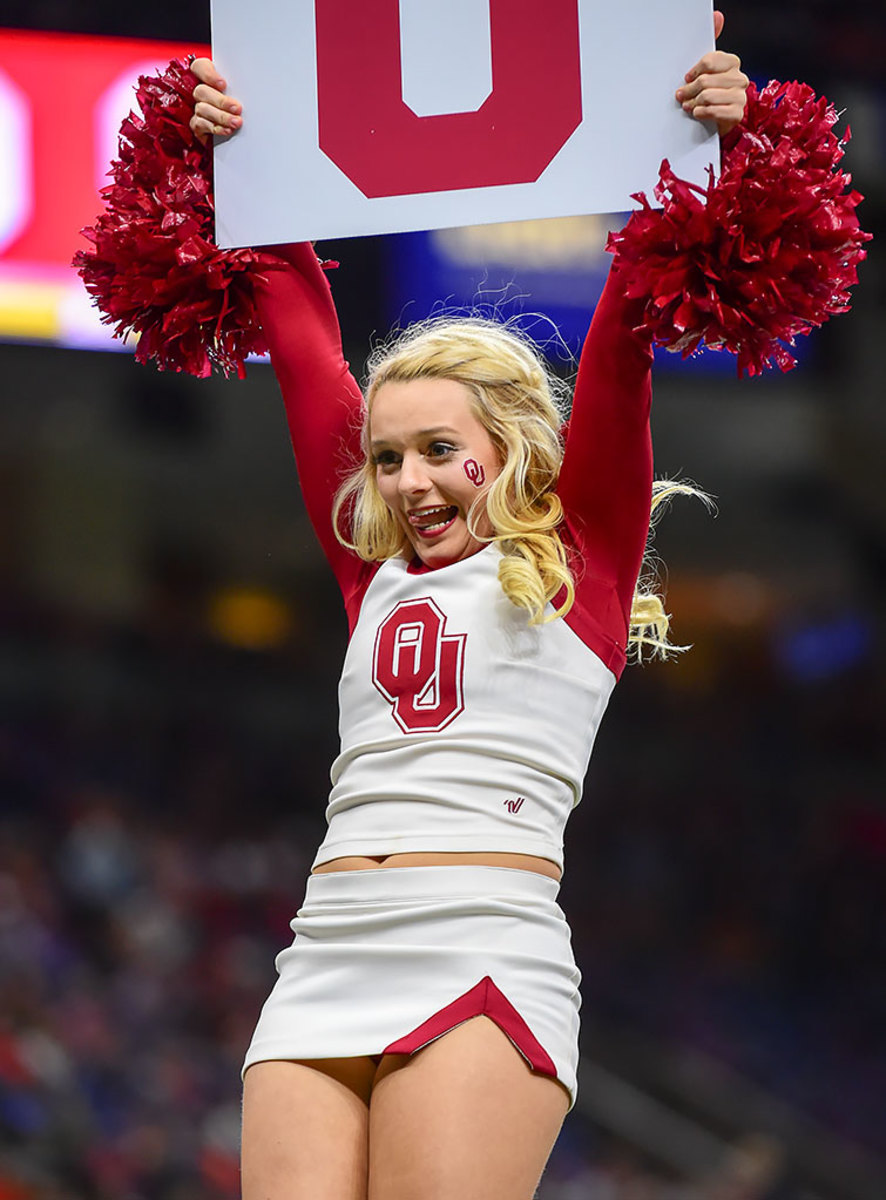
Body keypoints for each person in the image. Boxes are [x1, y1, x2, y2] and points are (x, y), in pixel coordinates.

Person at [185, 15, 749, 1200]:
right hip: (324, 953)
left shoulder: (581, 559)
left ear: (510, 449)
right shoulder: (369, 568)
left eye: (439, 451)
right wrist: (245, 155)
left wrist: (695, 140)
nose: (407, 483)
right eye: (386, 459)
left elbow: (622, 347)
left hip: (482, 946)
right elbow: (296, 336)